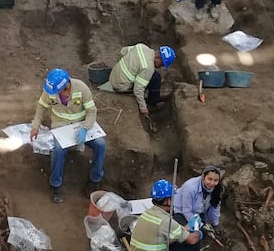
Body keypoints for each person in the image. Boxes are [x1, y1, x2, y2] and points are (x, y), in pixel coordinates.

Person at [30, 68, 105, 203]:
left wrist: (85, 128)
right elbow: (41, 106)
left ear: (65, 86)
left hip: (82, 124)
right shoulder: (51, 91)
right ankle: (55, 185)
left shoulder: (81, 88)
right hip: (61, 126)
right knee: (58, 150)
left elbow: (91, 111)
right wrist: (35, 126)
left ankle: (95, 180)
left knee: (100, 144)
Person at [129, 180, 201, 251]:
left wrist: (186, 228)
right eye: (172, 198)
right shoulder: (166, 222)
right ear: (167, 201)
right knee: (194, 244)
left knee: (178, 240)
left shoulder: (146, 214)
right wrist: (197, 230)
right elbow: (192, 239)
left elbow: (173, 234)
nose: (174, 201)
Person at [107, 44, 176, 116]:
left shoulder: (141, 47)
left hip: (113, 75)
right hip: (120, 86)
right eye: (162, 64)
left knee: (151, 75)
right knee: (155, 78)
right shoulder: (148, 67)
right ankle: (152, 104)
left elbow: (122, 51)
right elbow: (138, 89)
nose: (160, 67)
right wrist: (143, 107)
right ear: (158, 58)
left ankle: (153, 98)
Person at [173, 166, 224, 234]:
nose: (212, 183)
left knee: (204, 232)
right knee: (191, 234)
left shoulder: (217, 189)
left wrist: (215, 224)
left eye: (215, 180)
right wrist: (199, 226)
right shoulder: (190, 187)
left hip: (197, 212)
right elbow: (186, 211)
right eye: (209, 179)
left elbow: (215, 208)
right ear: (203, 177)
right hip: (180, 211)